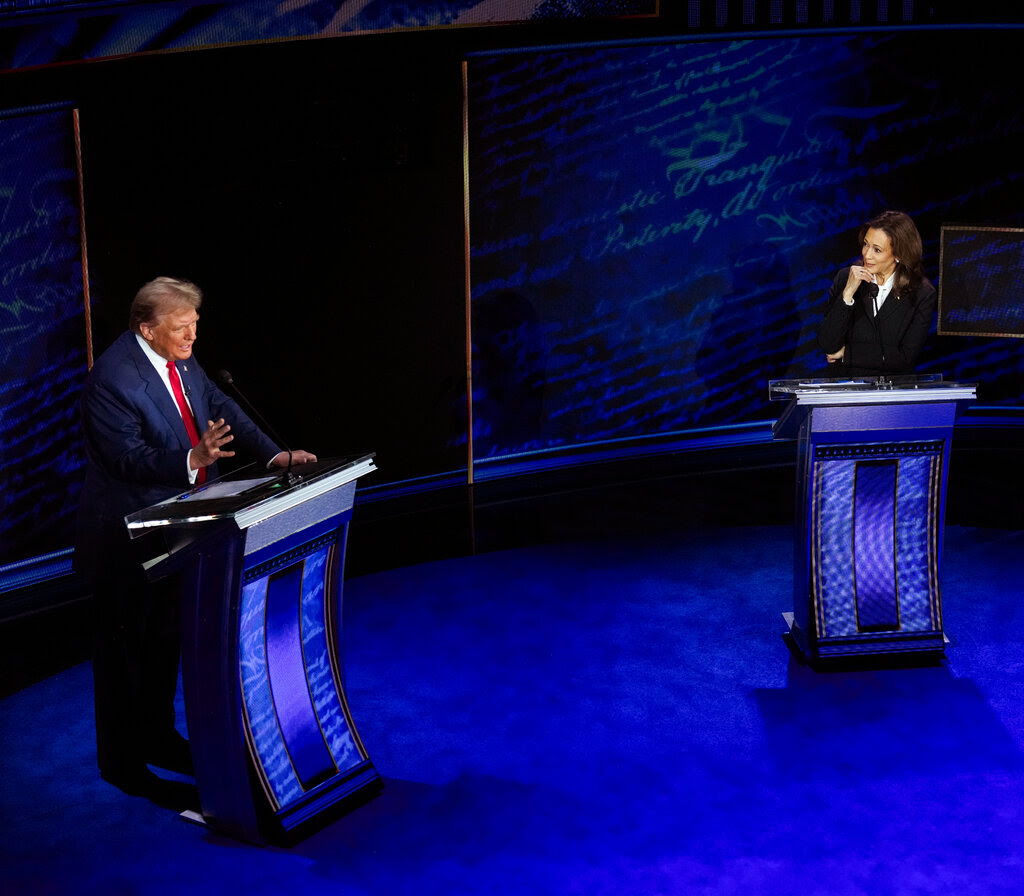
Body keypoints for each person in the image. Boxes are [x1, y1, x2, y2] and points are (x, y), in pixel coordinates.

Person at [76, 276, 316, 801]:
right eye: (181, 327)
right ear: (147, 328)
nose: (191, 336)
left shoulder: (182, 359)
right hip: (125, 539)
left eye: (195, 325)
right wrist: (193, 459)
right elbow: (127, 459)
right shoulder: (112, 381)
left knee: (163, 641)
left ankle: (158, 738)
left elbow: (219, 408)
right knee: (125, 655)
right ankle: (122, 765)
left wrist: (275, 455)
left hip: (181, 528)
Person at [819, 210, 936, 377]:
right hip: (844, 387)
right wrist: (848, 294)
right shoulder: (846, 278)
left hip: (890, 394)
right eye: (866, 244)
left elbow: (904, 358)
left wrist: (848, 354)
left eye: (877, 250)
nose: (866, 254)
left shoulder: (921, 293)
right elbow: (828, 345)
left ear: (898, 255)